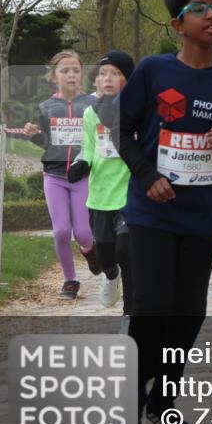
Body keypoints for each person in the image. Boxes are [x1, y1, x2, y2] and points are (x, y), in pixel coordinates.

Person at [117, 0, 212, 424]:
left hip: (202, 211)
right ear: (178, 23)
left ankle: (164, 400)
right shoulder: (154, 71)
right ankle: (129, 402)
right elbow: (123, 132)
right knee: (154, 305)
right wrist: (147, 174)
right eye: (199, 8)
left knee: (190, 310)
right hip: (152, 209)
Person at [22, 50, 97, 298]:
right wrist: (35, 136)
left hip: (83, 177)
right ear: (54, 76)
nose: (71, 74)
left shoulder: (92, 103)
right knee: (62, 231)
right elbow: (48, 144)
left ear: (82, 74)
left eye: (76, 70)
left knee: (84, 234)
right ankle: (70, 281)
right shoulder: (45, 107)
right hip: (54, 177)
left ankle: (91, 251)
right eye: (65, 70)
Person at [68, 50, 135, 315]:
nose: (108, 79)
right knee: (106, 254)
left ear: (128, 80)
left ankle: (129, 314)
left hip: (129, 193)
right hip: (99, 195)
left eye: (116, 74)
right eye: (103, 74)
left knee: (126, 250)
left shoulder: (135, 111)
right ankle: (110, 276)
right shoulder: (90, 113)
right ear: (95, 81)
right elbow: (89, 147)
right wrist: (81, 163)